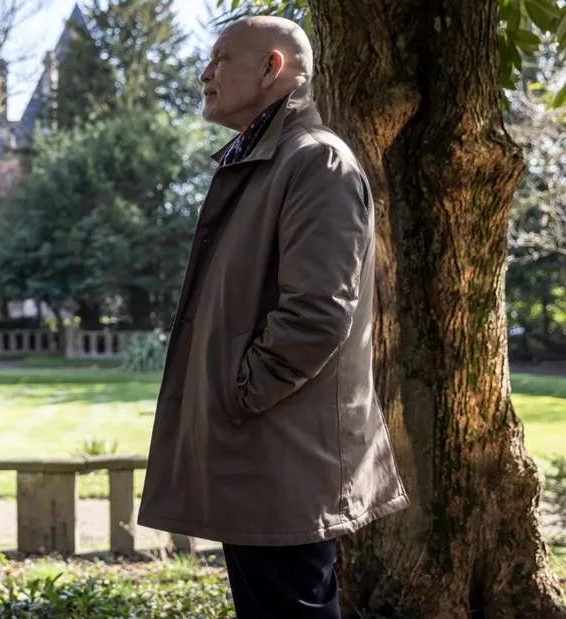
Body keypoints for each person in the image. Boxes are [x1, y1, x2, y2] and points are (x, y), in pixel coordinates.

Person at [136, 16, 409, 619]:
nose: (205, 73)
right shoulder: (261, 161)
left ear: (272, 68)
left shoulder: (315, 163)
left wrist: (241, 393)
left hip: (283, 452)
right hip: (258, 451)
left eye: (221, 58)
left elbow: (316, 314)